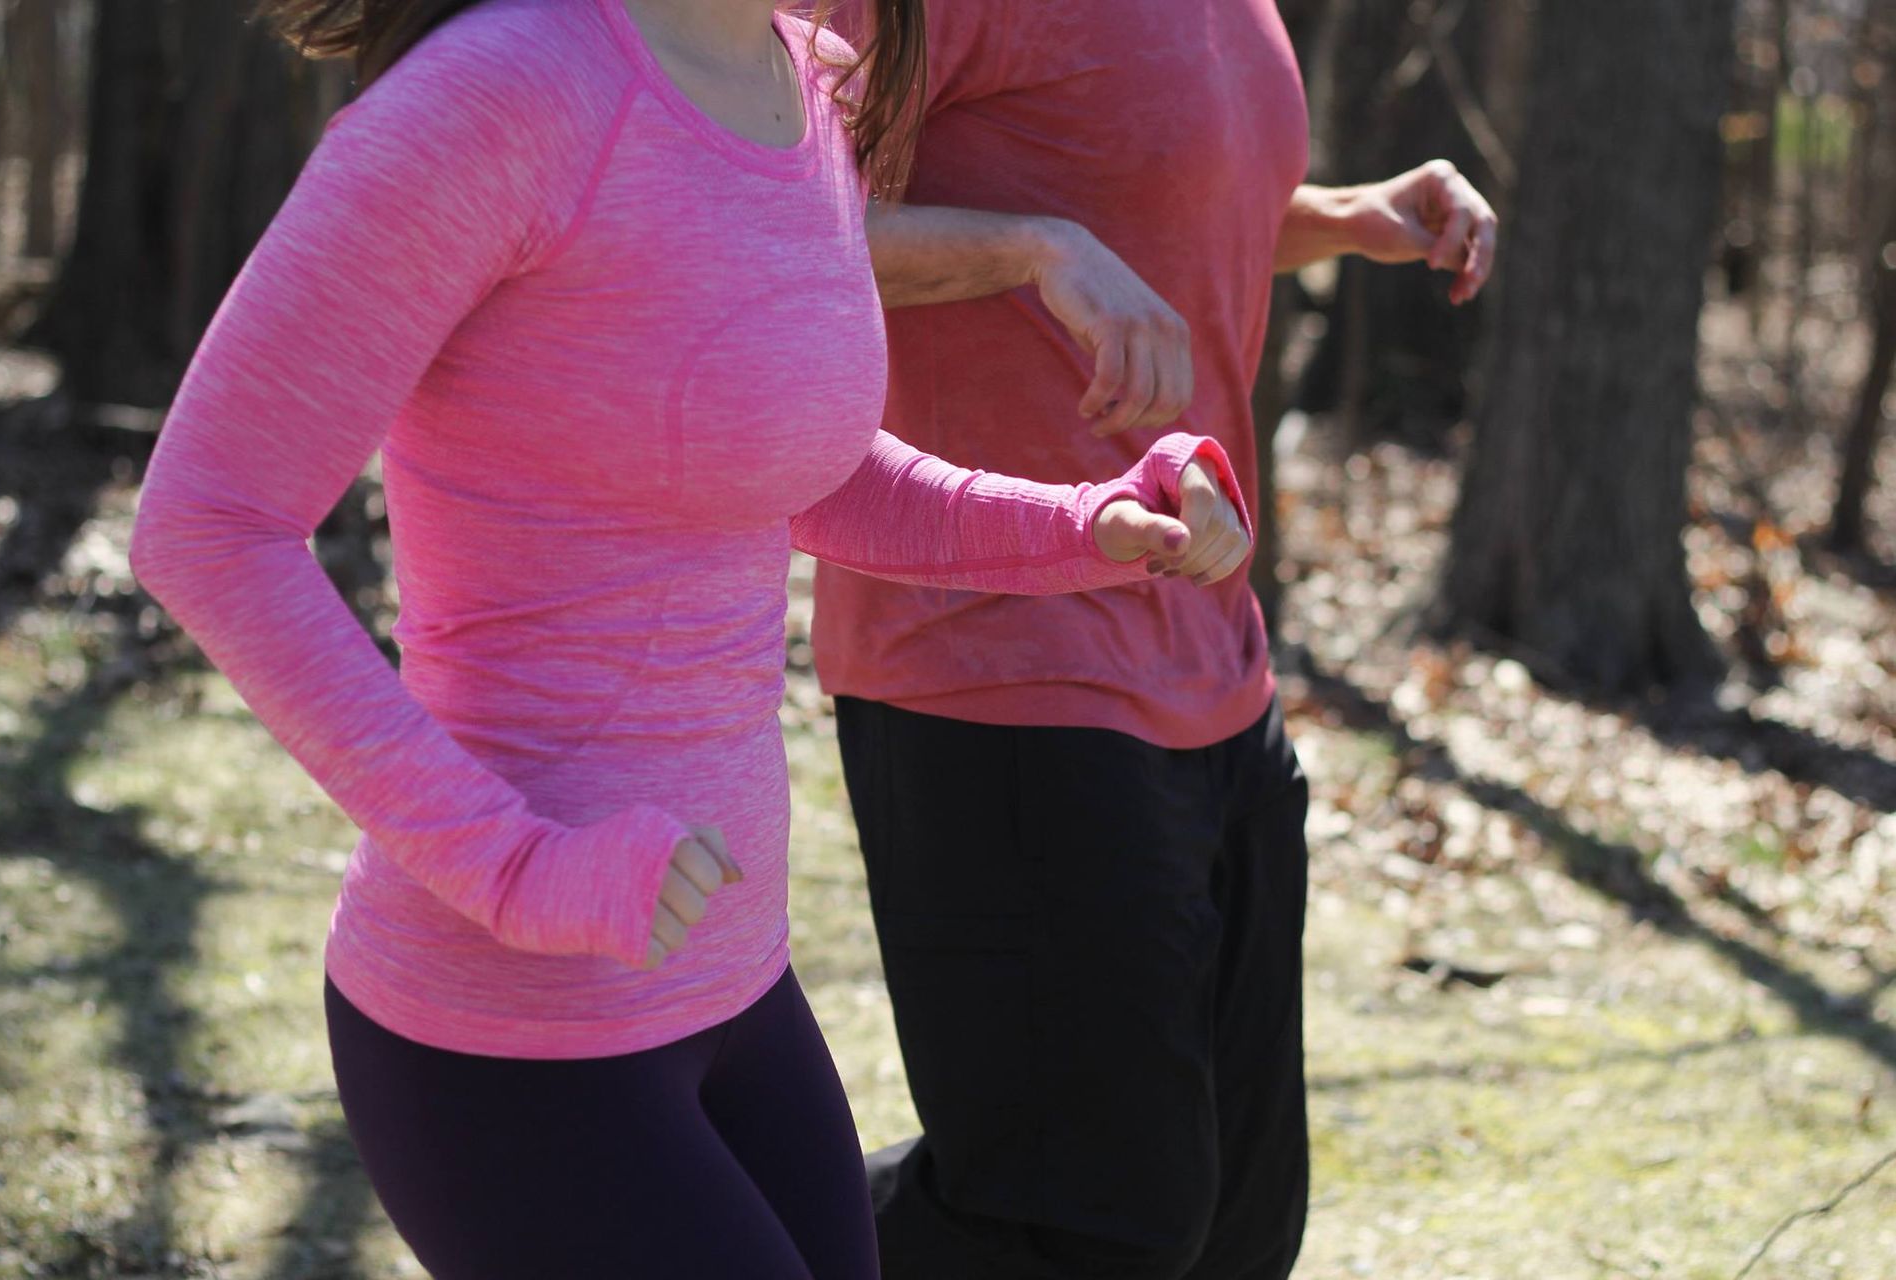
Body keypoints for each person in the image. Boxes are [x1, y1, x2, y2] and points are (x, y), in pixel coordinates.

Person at [127, 0, 1256, 1276]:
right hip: (505, 1022)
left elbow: (788, 462)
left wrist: (1081, 523)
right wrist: (512, 863)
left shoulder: (802, 78)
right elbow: (210, 525)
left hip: (732, 984)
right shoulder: (500, 94)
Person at [815, 3, 1500, 1277]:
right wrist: (1029, 250)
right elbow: (764, 218)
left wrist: (1347, 215)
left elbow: (1161, 214)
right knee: (1080, 1221)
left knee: (1236, 1226)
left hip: (1212, 667)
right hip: (990, 661)